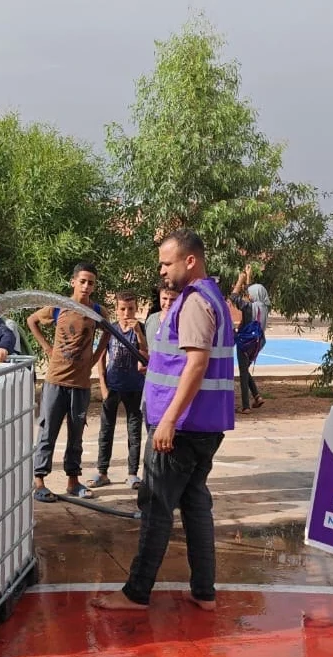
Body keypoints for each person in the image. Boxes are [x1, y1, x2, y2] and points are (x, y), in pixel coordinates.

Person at [91, 229, 234, 612]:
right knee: (195, 505)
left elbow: (197, 364)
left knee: (155, 505)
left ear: (190, 261)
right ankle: (204, 592)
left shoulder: (193, 303)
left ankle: (136, 593)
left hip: (182, 428)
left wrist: (169, 420)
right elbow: (185, 360)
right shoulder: (213, 298)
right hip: (203, 425)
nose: (162, 271)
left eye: (167, 263)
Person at [27, 263, 107, 501]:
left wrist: (94, 358)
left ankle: (73, 480)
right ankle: (39, 481)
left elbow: (108, 333)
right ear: (73, 282)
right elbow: (32, 321)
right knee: (48, 431)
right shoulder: (59, 306)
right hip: (56, 381)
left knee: (76, 435)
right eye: (82, 281)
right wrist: (47, 348)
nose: (86, 286)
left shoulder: (97, 311)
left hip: (81, 385)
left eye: (91, 282)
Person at [89, 291, 149, 491]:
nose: (126, 313)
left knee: (134, 432)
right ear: (116, 309)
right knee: (106, 431)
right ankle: (102, 471)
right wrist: (103, 386)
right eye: (122, 309)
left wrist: (140, 334)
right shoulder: (111, 330)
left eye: (130, 309)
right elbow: (101, 357)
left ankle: (132, 473)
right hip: (113, 387)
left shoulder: (140, 329)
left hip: (134, 387)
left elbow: (146, 356)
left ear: (137, 309)